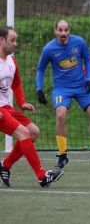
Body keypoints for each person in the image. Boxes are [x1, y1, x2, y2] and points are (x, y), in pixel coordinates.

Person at [36, 20, 90, 169]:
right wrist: (39, 89)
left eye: (66, 30)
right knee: (60, 115)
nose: (63, 33)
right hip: (62, 89)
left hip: (81, 86)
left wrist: (88, 79)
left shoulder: (79, 42)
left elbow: (88, 60)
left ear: (69, 31)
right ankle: (62, 155)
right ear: (55, 31)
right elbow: (41, 69)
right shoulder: (48, 49)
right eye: (60, 30)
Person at [0, 26, 64, 187]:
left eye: (16, 40)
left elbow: (17, 83)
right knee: (23, 133)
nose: (15, 44)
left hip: (6, 107)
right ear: (1, 41)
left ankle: (5, 166)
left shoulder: (11, 61)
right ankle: (42, 176)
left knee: (34, 132)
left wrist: (21, 102)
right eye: (12, 40)